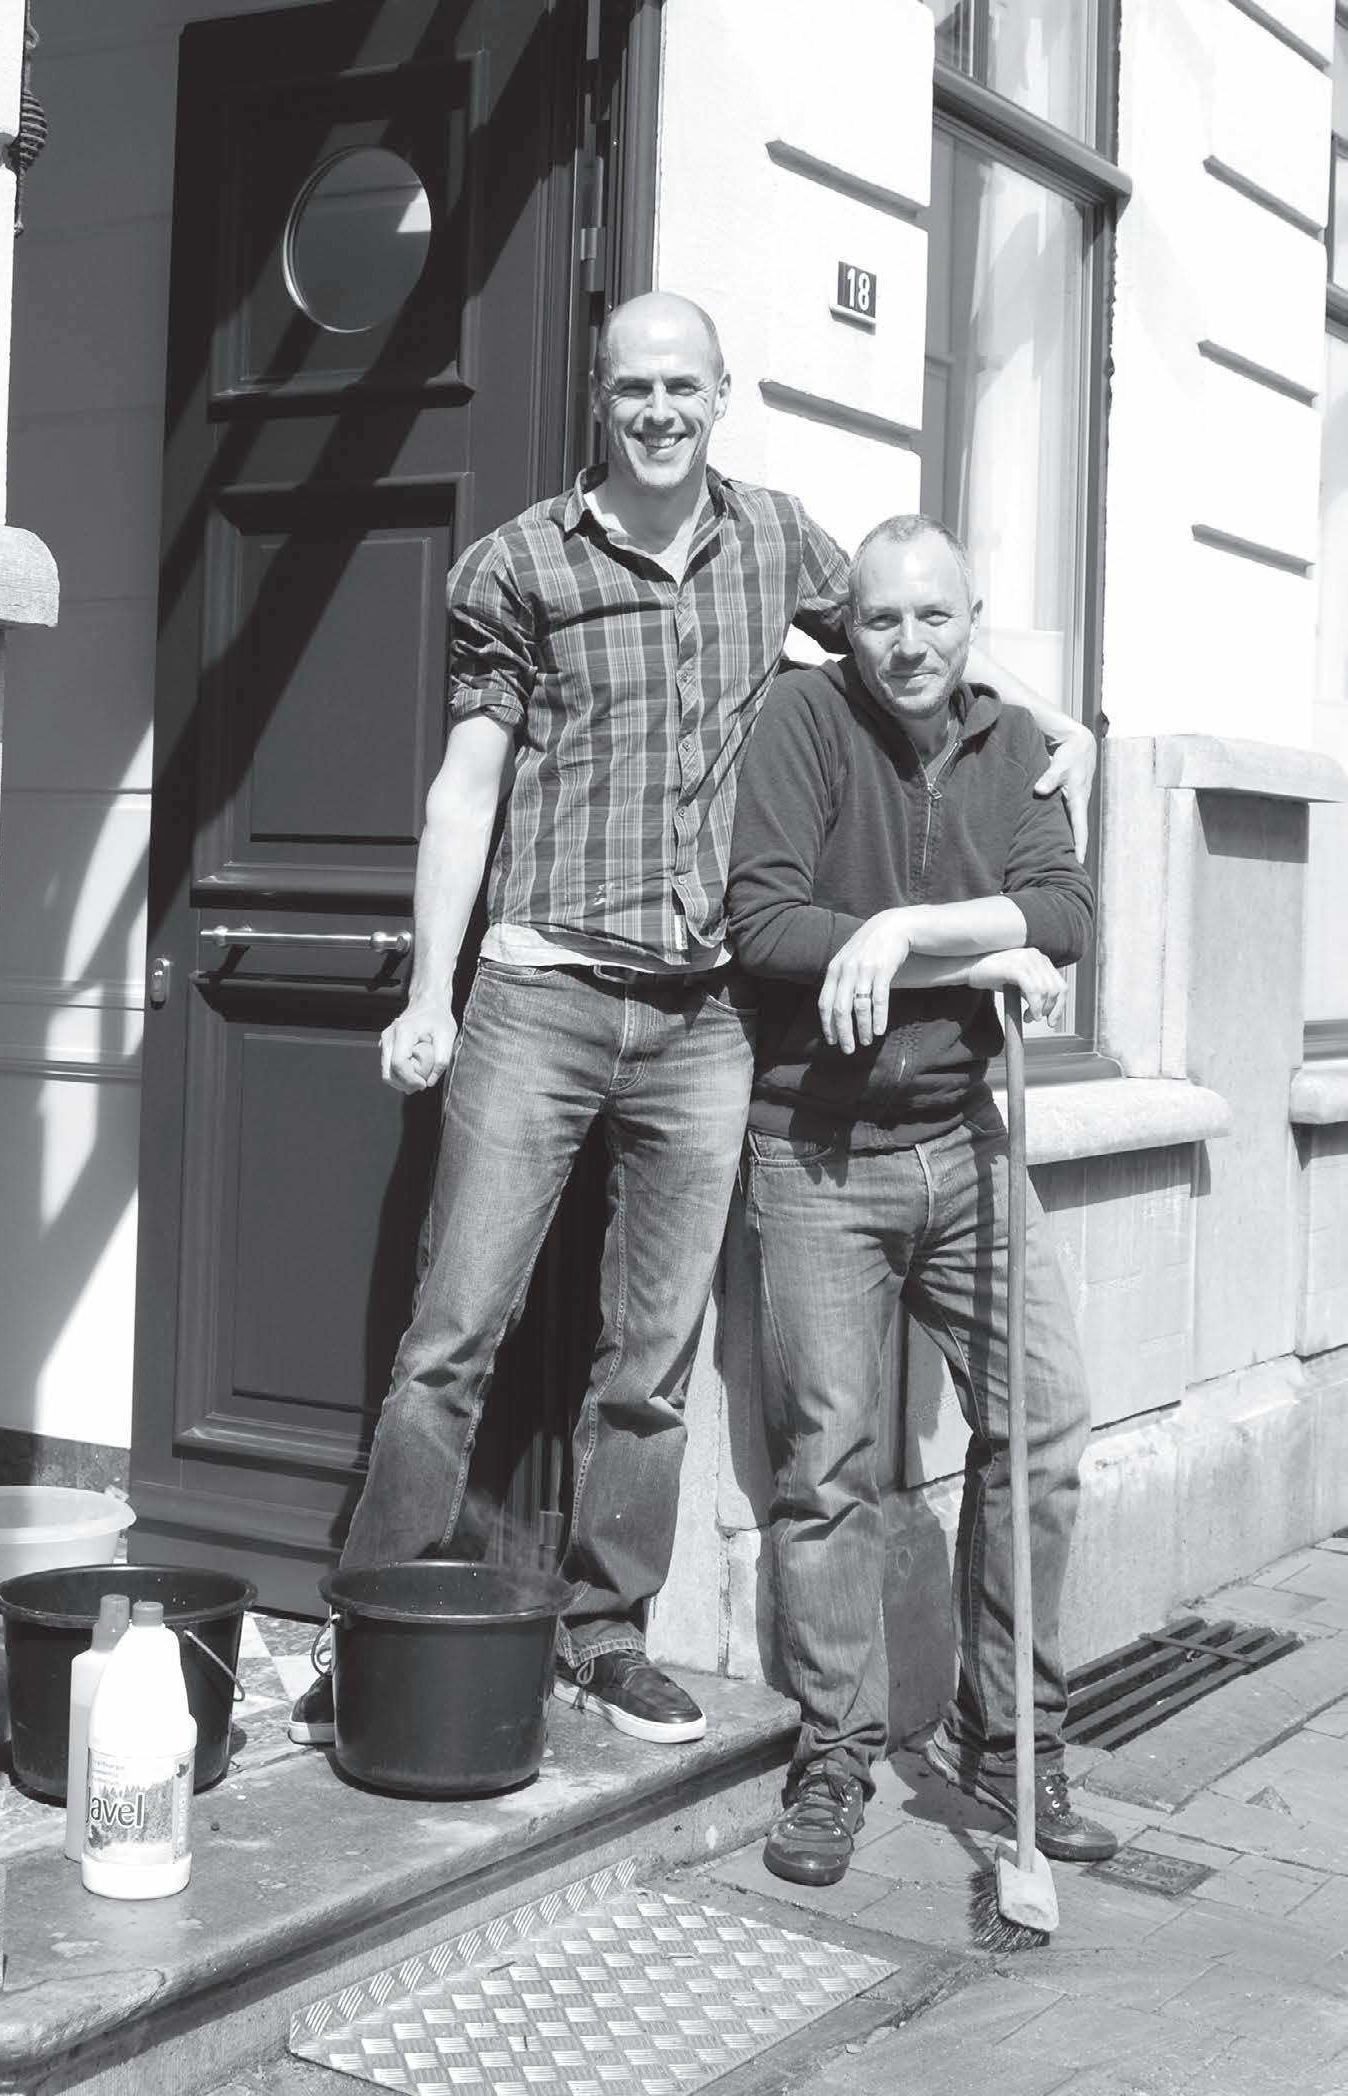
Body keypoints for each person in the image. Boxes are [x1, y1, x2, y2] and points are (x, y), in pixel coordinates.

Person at [290, 299, 1094, 1750]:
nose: (658, 409)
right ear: (600, 399)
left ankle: (604, 1634)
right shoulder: (519, 564)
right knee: (452, 1338)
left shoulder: (775, 539)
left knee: (649, 1363)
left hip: (708, 1014)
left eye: (682, 385)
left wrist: (1057, 722)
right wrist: (427, 993)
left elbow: (909, 627)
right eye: (632, 387)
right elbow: (466, 786)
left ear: (723, 393)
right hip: (541, 992)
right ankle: (371, 1639)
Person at [726, 513, 1118, 1883]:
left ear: (973, 621)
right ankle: (836, 1752)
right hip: (817, 1151)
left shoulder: (1016, 747)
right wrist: (976, 958)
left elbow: (1067, 915)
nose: (909, 643)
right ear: (850, 624)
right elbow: (767, 925)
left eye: (935, 617)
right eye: (883, 618)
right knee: (827, 1467)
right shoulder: (803, 720)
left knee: (1044, 1427)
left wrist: (904, 933)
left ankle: (1010, 1740)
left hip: (965, 1139)